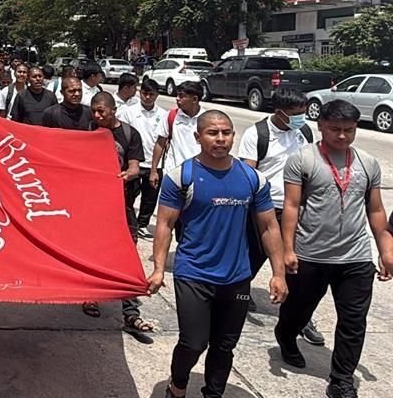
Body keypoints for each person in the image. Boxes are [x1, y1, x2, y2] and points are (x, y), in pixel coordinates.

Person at [148, 110, 288, 398]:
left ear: (233, 136)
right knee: (193, 342)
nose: (221, 139)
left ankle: (213, 393)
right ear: (198, 137)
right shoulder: (181, 176)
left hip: (236, 276)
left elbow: (269, 225)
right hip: (193, 274)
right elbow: (164, 224)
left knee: (225, 346)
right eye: (213, 133)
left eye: (226, 132)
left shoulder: (252, 178)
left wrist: (278, 273)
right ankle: (178, 386)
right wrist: (159, 268)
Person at [275, 100, 392, 398]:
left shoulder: (367, 162)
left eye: (349, 130)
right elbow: (291, 206)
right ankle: (287, 336)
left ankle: (341, 380)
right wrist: (288, 249)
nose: (342, 136)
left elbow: (376, 210)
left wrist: (386, 250)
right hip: (310, 255)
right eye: (335, 129)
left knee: (354, 321)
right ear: (321, 126)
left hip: (355, 258)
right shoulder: (303, 159)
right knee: (298, 310)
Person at [236, 87, 323, 343]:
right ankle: (237, 301)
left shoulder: (303, 133)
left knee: (298, 265)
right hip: (264, 208)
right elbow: (247, 174)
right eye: (296, 114)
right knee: (252, 258)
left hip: (297, 209)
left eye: (303, 113)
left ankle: (301, 319)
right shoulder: (258, 134)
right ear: (279, 112)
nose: (301, 119)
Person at [85, 92, 154, 337]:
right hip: (92, 205)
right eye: (94, 111)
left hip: (121, 205)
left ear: (113, 110)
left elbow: (135, 165)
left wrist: (129, 173)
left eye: (102, 111)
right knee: (93, 253)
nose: (97, 115)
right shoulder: (86, 130)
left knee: (126, 255)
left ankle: (130, 312)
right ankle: (91, 296)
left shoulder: (128, 134)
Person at [117, 77, 167, 239]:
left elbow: (163, 140)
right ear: (140, 93)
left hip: (154, 163)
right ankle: (126, 222)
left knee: (150, 196)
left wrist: (156, 166)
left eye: (151, 94)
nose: (147, 97)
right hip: (133, 162)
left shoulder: (163, 115)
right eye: (144, 93)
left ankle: (143, 224)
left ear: (157, 95)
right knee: (130, 194)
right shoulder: (128, 111)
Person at [149, 81, 204, 189]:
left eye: (182, 96)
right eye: (177, 95)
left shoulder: (207, 118)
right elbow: (160, 143)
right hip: (173, 174)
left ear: (194, 99)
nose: (177, 99)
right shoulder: (171, 116)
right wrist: (154, 170)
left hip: (199, 175)